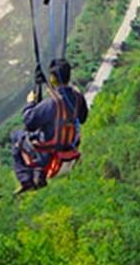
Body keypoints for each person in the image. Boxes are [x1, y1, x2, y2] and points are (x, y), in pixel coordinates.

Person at [11, 58, 88, 193]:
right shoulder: (77, 97)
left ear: (52, 78)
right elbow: (83, 118)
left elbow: (29, 122)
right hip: (69, 144)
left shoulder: (51, 103)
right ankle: (38, 175)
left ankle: (26, 180)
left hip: (47, 149)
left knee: (16, 136)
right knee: (42, 133)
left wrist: (30, 103)